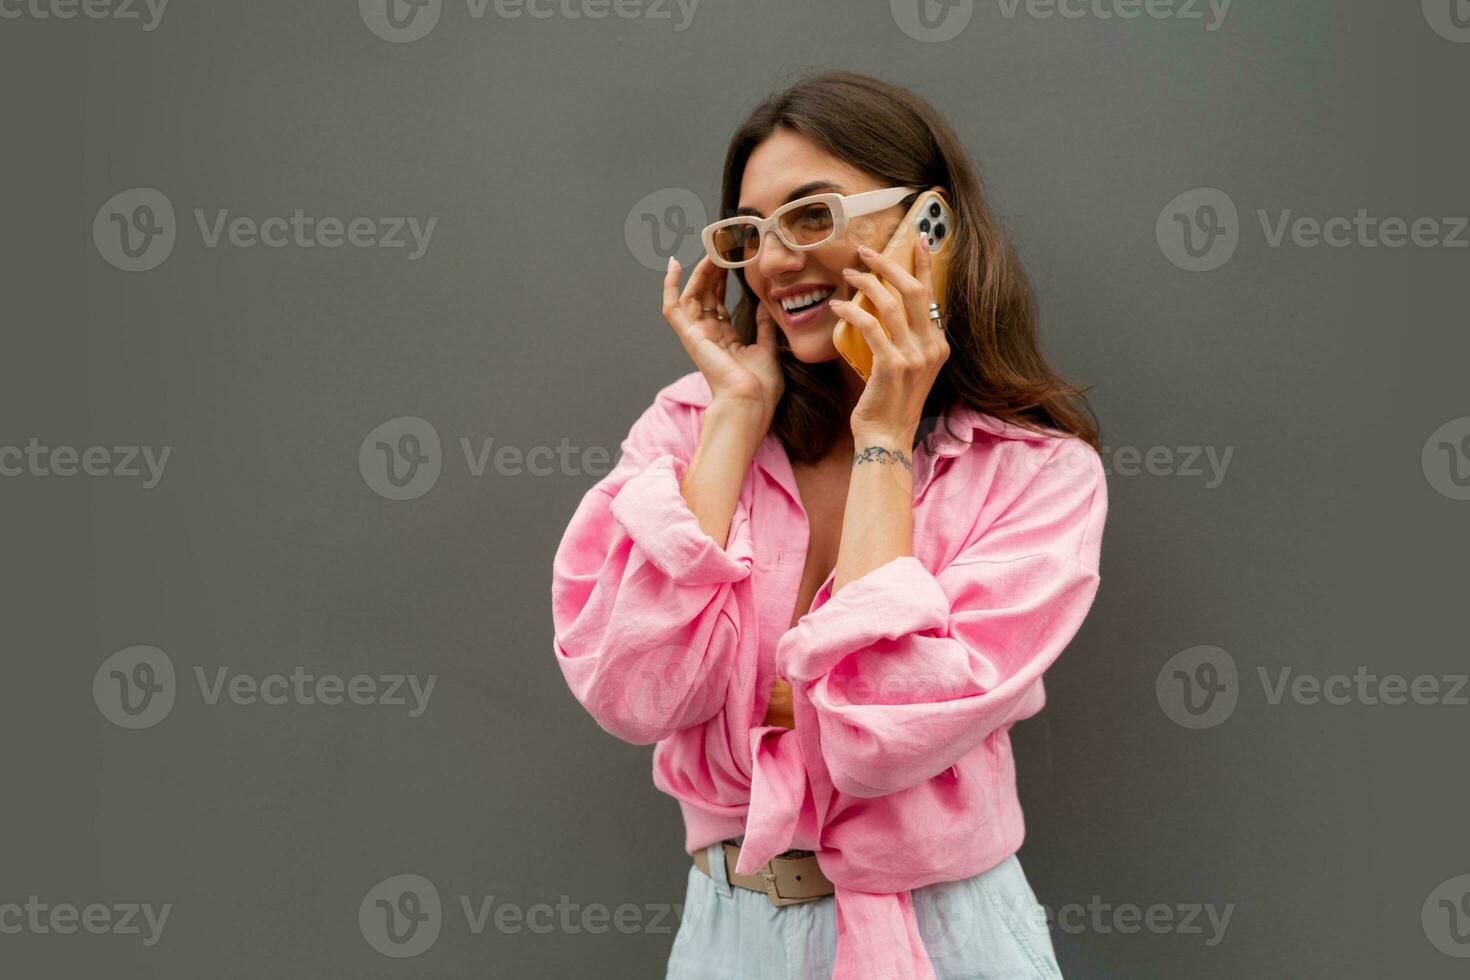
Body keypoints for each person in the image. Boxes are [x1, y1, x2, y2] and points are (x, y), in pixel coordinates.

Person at [551, 69, 1107, 979]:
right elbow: (634, 691)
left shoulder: (1037, 475)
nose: (772, 263)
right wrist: (735, 414)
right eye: (750, 235)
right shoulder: (685, 433)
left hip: (950, 940)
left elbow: (871, 739)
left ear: (929, 226)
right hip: (729, 935)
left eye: (812, 217)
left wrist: (884, 436)